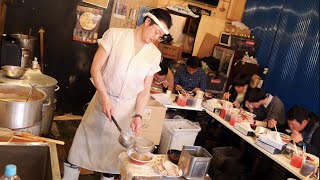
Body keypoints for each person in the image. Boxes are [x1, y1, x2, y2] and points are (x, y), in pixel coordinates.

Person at [62, 8, 172, 180]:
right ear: (148, 22)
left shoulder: (154, 54)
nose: (156, 38)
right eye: (156, 32)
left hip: (126, 111)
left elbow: (145, 89)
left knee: (112, 160)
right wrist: (105, 99)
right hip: (102, 102)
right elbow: (95, 69)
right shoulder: (115, 35)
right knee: (79, 151)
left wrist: (138, 115)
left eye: (160, 36)